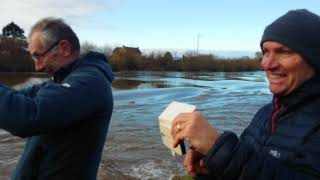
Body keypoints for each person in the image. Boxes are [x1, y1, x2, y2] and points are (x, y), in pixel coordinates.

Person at [171, 9, 320, 179]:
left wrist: (217, 148)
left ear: (314, 58)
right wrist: (213, 162)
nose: (267, 64)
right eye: (265, 52)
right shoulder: (265, 113)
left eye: (283, 51)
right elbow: (247, 162)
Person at [0, 17, 113, 180]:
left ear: (64, 48)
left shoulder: (89, 83)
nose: (37, 67)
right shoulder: (61, 82)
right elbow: (17, 99)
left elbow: (29, 117)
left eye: (39, 57)